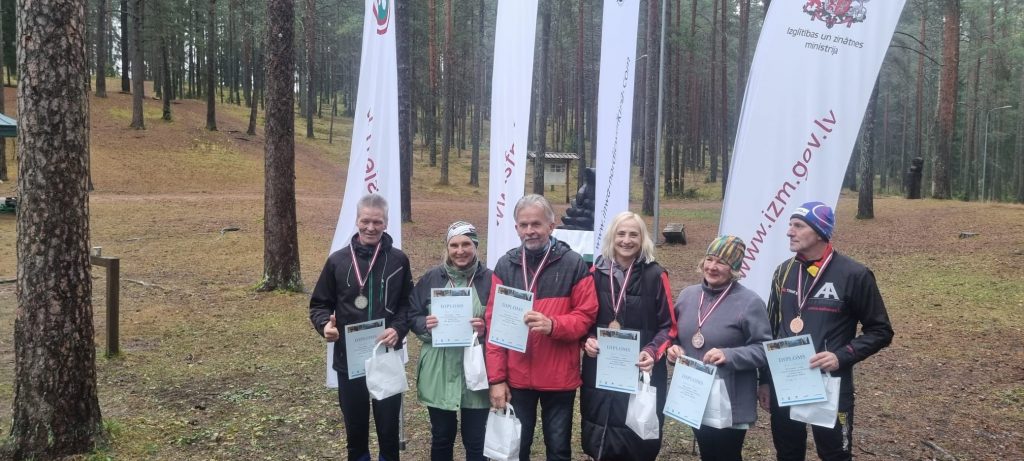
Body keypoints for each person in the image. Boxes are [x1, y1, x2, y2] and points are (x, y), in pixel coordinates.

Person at [757, 201, 894, 461]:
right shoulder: (783, 271)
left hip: (831, 384)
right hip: (787, 381)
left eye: (798, 226)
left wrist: (841, 356)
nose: (789, 231)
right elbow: (770, 329)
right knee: (787, 454)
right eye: (790, 225)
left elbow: (881, 330)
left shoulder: (854, 274)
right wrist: (764, 379)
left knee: (835, 455)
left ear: (820, 232)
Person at [485, 194, 599, 461]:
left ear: (551, 226)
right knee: (516, 449)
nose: (530, 231)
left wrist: (554, 325)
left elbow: (586, 315)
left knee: (558, 449)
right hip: (517, 376)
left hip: (559, 376)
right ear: (516, 228)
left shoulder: (573, 264)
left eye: (536, 224)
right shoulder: (505, 265)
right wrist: (497, 379)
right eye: (523, 225)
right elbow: (494, 327)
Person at [309, 194, 414, 461]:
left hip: (385, 356)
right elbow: (319, 304)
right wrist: (324, 325)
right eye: (365, 221)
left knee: (388, 432)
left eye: (377, 222)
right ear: (356, 220)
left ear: (386, 223)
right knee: (355, 433)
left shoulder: (399, 261)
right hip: (349, 360)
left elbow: (407, 305)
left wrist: (398, 329)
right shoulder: (337, 261)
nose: (370, 227)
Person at [666, 235, 772, 461]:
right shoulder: (687, 296)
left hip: (729, 400)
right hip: (694, 395)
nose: (712, 267)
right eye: (709, 259)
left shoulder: (750, 302)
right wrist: (673, 349)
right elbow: (673, 335)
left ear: (734, 268)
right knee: (708, 453)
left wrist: (729, 355)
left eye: (721, 262)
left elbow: (764, 349)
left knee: (726, 455)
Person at [580, 211, 675, 461]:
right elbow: (583, 318)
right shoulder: (594, 273)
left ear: (642, 239)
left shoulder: (656, 275)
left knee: (637, 444)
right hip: (601, 370)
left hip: (641, 369)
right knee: (602, 439)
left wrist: (652, 352)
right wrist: (586, 339)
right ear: (612, 237)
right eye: (621, 233)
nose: (626, 240)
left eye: (634, 234)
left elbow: (669, 327)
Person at [409, 221, 493, 461]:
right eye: (454, 245)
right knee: (442, 436)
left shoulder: (490, 279)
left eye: (466, 244)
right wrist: (425, 325)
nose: (460, 251)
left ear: (476, 246)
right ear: (447, 248)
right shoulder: (431, 278)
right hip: (439, 369)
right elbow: (412, 314)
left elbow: (502, 322)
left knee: (476, 440)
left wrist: (485, 329)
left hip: (476, 371)